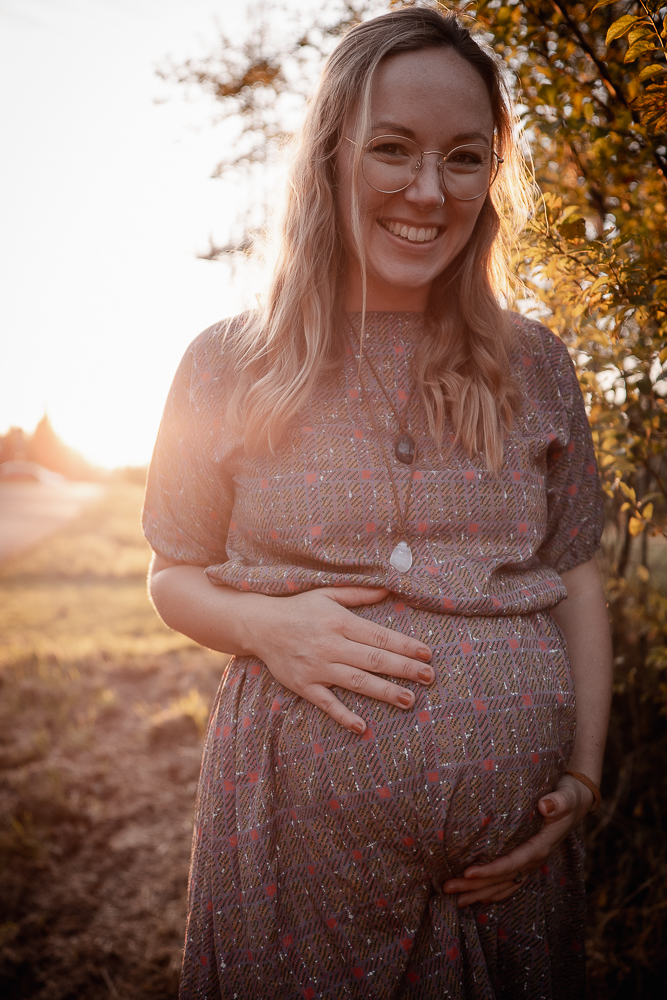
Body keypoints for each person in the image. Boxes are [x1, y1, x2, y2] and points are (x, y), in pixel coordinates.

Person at [143, 8, 612, 998]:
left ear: (492, 174)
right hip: (300, 863)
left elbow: (573, 569)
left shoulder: (534, 363)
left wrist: (580, 777)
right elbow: (172, 572)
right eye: (392, 149)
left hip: (511, 878)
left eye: (464, 157)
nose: (428, 191)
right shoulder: (228, 361)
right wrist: (266, 628)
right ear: (327, 156)